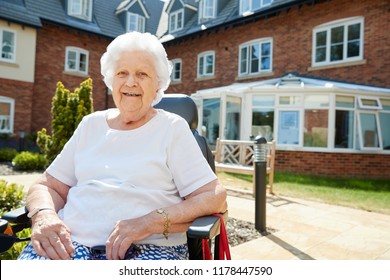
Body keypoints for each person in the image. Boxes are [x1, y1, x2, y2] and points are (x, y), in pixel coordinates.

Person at [18, 32, 227, 260]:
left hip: (147, 248)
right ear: (111, 80)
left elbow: (214, 196)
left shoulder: (171, 128)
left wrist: (149, 222)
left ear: (158, 85)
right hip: (68, 244)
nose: (130, 82)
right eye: (122, 73)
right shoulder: (91, 124)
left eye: (142, 74)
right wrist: (44, 215)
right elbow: (48, 186)